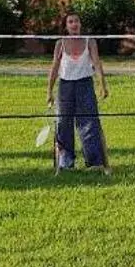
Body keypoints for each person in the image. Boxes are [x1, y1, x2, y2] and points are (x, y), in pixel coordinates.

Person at [45, 12, 110, 173]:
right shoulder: (60, 44)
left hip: (85, 85)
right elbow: (54, 68)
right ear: (66, 26)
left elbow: (96, 63)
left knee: (89, 122)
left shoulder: (90, 42)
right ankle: (65, 163)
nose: (74, 24)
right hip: (65, 86)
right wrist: (49, 91)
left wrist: (102, 85)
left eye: (77, 21)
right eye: (70, 22)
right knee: (63, 123)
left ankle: (95, 163)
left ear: (80, 24)